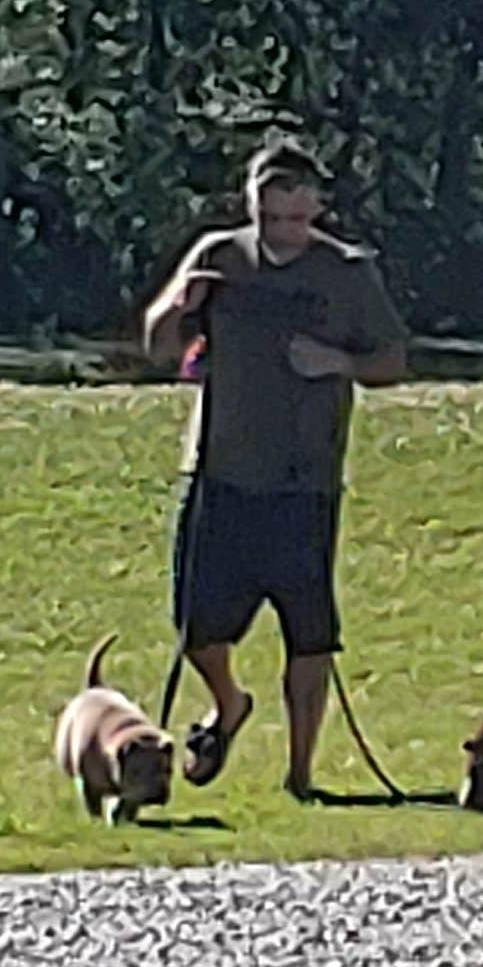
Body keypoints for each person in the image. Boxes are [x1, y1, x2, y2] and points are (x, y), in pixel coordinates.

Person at [143, 140, 408, 799]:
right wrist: (180, 303)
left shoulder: (346, 273)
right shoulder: (220, 258)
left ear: (318, 208)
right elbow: (157, 344)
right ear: (252, 203)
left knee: (310, 635)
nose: (284, 232)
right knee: (197, 627)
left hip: (304, 480)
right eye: (271, 217)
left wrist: (337, 362)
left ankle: (301, 775)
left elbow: (393, 360)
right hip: (218, 472)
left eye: (297, 218)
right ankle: (228, 703)